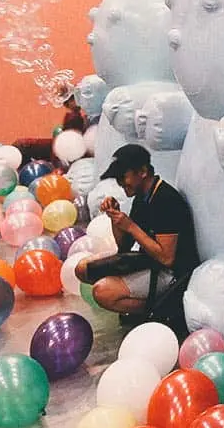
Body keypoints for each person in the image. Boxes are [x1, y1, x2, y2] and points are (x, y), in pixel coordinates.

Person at [75, 144, 199, 317]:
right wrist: (115, 217)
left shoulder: (166, 199)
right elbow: (124, 246)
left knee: (102, 292)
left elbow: (167, 258)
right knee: (83, 269)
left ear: (142, 172)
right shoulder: (142, 198)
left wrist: (130, 226)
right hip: (148, 261)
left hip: (170, 273)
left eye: (123, 177)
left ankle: (164, 310)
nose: (120, 183)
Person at [13, 94, 87, 164]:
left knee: (22, 145)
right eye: (71, 99)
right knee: (21, 145)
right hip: (61, 148)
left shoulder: (75, 117)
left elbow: (66, 146)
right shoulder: (74, 116)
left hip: (66, 151)